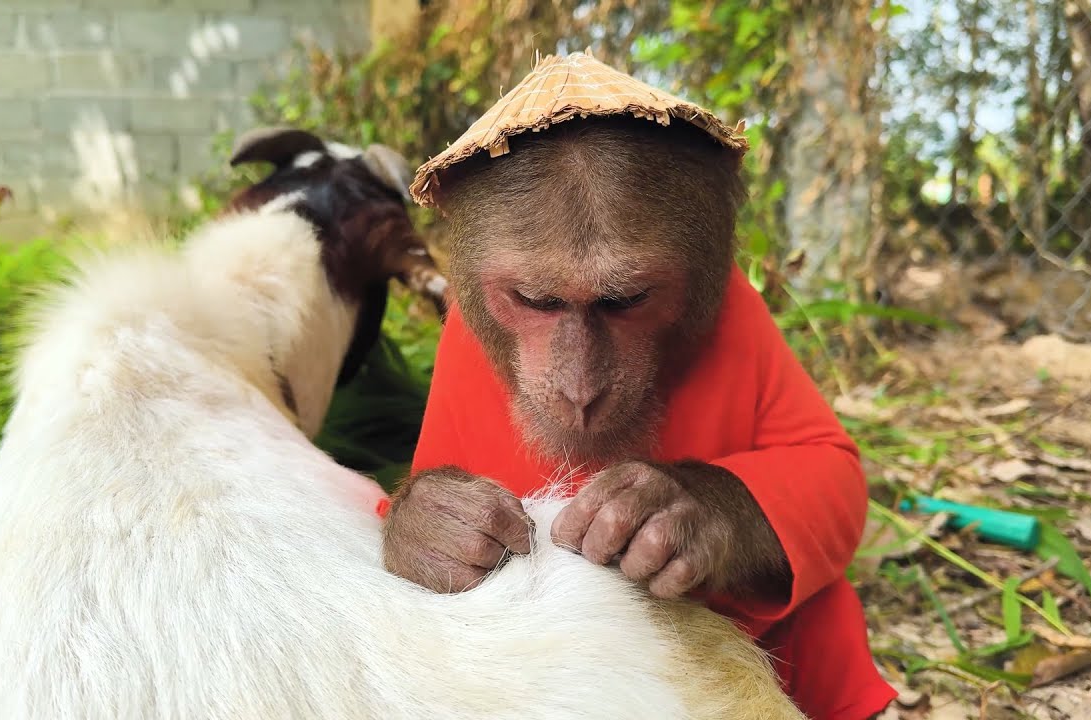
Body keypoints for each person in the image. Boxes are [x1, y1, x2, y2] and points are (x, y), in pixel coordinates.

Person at [377, 52, 897, 720]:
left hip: (735, 658)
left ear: (703, 272)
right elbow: (436, 490)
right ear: (481, 283)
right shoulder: (473, 328)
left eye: (624, 301)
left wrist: (719, 512)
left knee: (820, 606)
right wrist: (419, 520)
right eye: (536, 301)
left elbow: (831, 481)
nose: (578, 384)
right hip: (548, 669)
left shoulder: (730, 309)